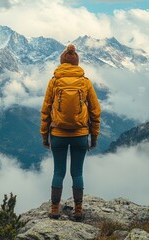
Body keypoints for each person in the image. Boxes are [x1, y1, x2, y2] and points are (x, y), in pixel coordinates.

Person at [40, 44, 101, 221]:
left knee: (58, 172)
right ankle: (79, 210)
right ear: (77, 63)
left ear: (62, 63)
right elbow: (95, 111)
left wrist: (45, 135)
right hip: (80, 135)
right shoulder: (85, 82)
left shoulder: (54, 81)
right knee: (77, 173)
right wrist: (94, 136)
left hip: (58, 135)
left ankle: (54, 209)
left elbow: (45, 111)